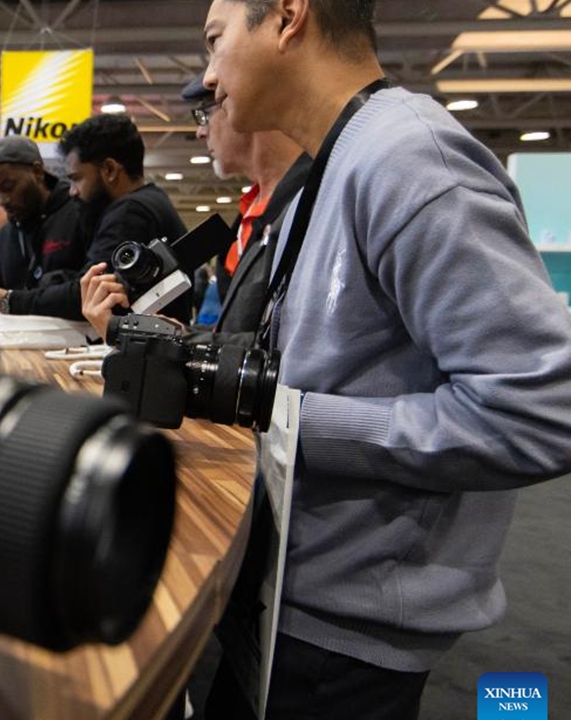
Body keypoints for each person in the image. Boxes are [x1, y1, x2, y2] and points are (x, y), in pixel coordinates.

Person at [199, 1, 571, 718]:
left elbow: (544, 409)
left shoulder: (409, 158)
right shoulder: (339, 162)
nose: (210, 76)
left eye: (215, 42)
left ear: (286, 15)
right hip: (292, 600)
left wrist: (294, 422)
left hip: (346, 636)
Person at [82, 76, 310, 344]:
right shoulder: (249, 212)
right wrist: (169, 334)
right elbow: (238, 333)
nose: (201, 132)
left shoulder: (309, 203)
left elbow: (287, 349)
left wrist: (175, 339)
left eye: (204, 115)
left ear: (245, 103)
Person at [0, 117, 189, 322]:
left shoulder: (129, 212)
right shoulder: (151, 201)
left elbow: (88, 293)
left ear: (110, 170)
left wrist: (8, 300)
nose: (73, 192)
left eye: (77, 179)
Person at [0, 135, 88, 303]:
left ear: (37, 171)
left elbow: (92, 291)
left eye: (8, 187)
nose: (3, 200)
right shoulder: (4, 236)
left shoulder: (80, 212)